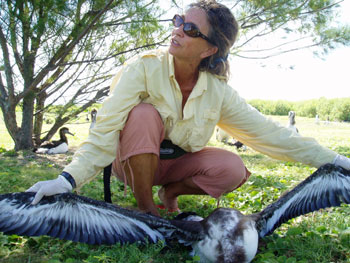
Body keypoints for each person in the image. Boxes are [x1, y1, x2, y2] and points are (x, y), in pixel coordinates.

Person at [27, 0, 350, 217]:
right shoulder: (142, 68)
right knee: (142, 114)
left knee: (233, 167)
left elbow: (271, 134)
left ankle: (170, 195)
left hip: (175, 165)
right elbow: (106, 128)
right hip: (130, 162)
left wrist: (337, 161)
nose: (178, 30)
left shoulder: (218, 92)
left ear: (209, 49)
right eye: (179, 20)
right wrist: (67, 180)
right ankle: (145, 208)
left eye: (191, 29)